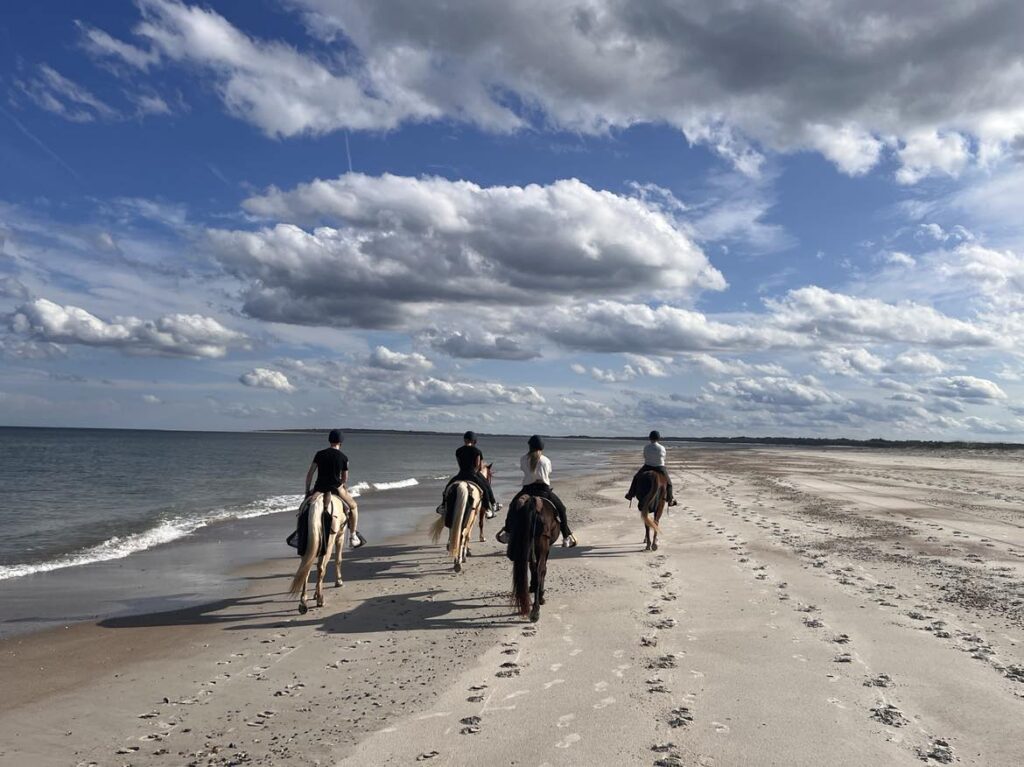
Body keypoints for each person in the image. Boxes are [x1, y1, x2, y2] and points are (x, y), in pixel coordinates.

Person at [497, 435, 576, 547]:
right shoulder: (546, 460)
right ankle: (566, 536)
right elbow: (548, 473)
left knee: (512, 507)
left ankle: (508, 532)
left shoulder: (523, 459)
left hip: (527, 490)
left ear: (529, 446)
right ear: (541, 448)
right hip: (544, 490)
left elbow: (524, 470)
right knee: (561, 509)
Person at [305, 429, 366, 548]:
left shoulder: (319, 454)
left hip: (319, 488)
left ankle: (299, 534)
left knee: (304, 509)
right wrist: (341, 484)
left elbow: (310, 474)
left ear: (329, 441)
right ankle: (353, 535)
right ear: (341, 442)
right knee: (353, 507)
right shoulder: (343, 457)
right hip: (335, 489)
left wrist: (307, 491)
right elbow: (344, 478)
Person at [443, 431, 499, 517]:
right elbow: (478, 467)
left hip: (461, 474)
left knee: (448, 487)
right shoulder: (477, 451)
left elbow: (460, 464)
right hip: (473, 474)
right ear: (474, 441)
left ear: (465, 440)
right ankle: (490, 507)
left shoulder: (458, 451)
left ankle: (443, 506)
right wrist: (474, 472)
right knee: (486, 487)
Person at [625, 430, 677, 506]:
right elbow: (663, 457)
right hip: (659, 467)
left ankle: (630, 495)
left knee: (636, 477)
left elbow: (645, 456)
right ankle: (670, 500)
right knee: (669, 483)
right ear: (658, 438)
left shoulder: (646, 447)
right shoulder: (662, 448)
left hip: (647, 466)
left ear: (650, 438)